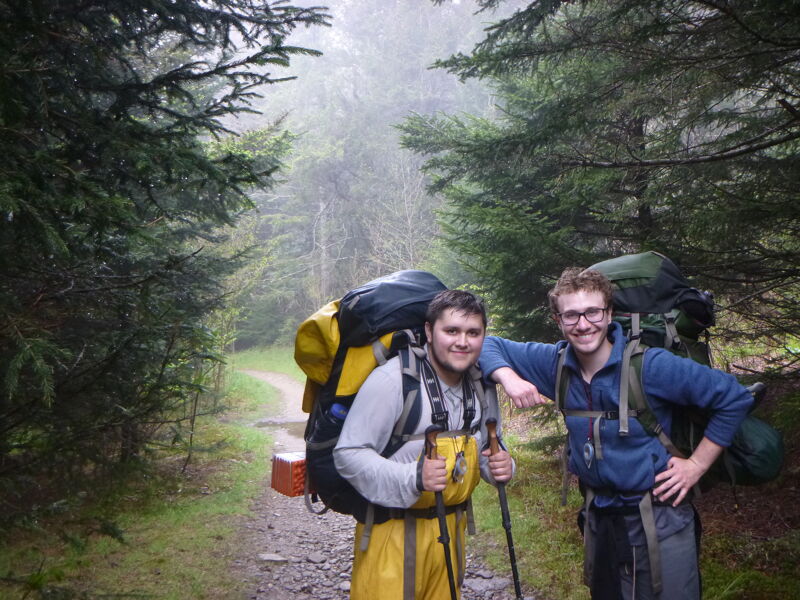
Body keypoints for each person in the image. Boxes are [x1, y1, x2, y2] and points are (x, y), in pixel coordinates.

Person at [480, 267, 753, 600]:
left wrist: (696, 465)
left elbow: (734, 397)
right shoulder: (555, 364)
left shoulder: (650, 367)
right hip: (601, 521)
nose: (583, 324)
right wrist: (509, 378)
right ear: (558, 320)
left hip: (661, 518)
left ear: (609, 313)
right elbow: (487, 344)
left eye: (592, 312)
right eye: (571, 315)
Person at [333, 289, 514, 600]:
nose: (463, 342)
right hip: (392, 535)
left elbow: (486, 447)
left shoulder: (480, 386)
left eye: (473, 332)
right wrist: (413, 478)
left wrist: (503, 464)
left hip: (451, 533)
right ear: (430, 332)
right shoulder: (393, 382)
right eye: (452, 331)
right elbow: (348, 454)